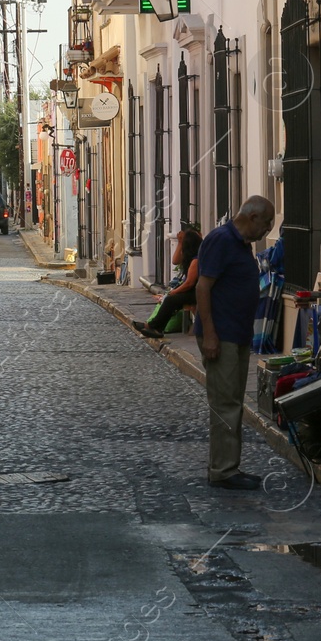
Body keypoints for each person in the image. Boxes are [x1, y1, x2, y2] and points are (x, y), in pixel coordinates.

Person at [195, 196, 276, 491]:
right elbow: (203, 288)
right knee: (225, 404)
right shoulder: (221, 240)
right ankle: (223, 471)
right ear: (252, 216)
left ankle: (229, 466)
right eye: (266, 223)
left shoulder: (242, 244)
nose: (267, 230)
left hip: (237, 335)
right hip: (222, 336)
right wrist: (210, 334)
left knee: (232, 403)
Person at [133, 227, 202, 338]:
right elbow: (175, 261)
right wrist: (179, 242)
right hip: (192, 290)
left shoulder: (196, 260)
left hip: (197, 292)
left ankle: (154, 327)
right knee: (170, 299)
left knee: (171, 299)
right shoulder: (191, 258)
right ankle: (153, 326)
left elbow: (189, 283)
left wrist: (174, 292)